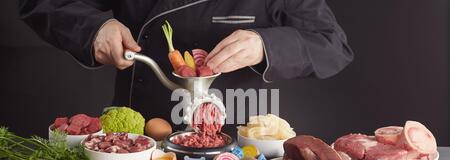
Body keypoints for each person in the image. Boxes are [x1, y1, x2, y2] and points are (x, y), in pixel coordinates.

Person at [19, 0, 353, 128]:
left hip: (242, 142)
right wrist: (94, 29)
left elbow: (333, 44)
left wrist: (267, 44)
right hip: (141, 140)